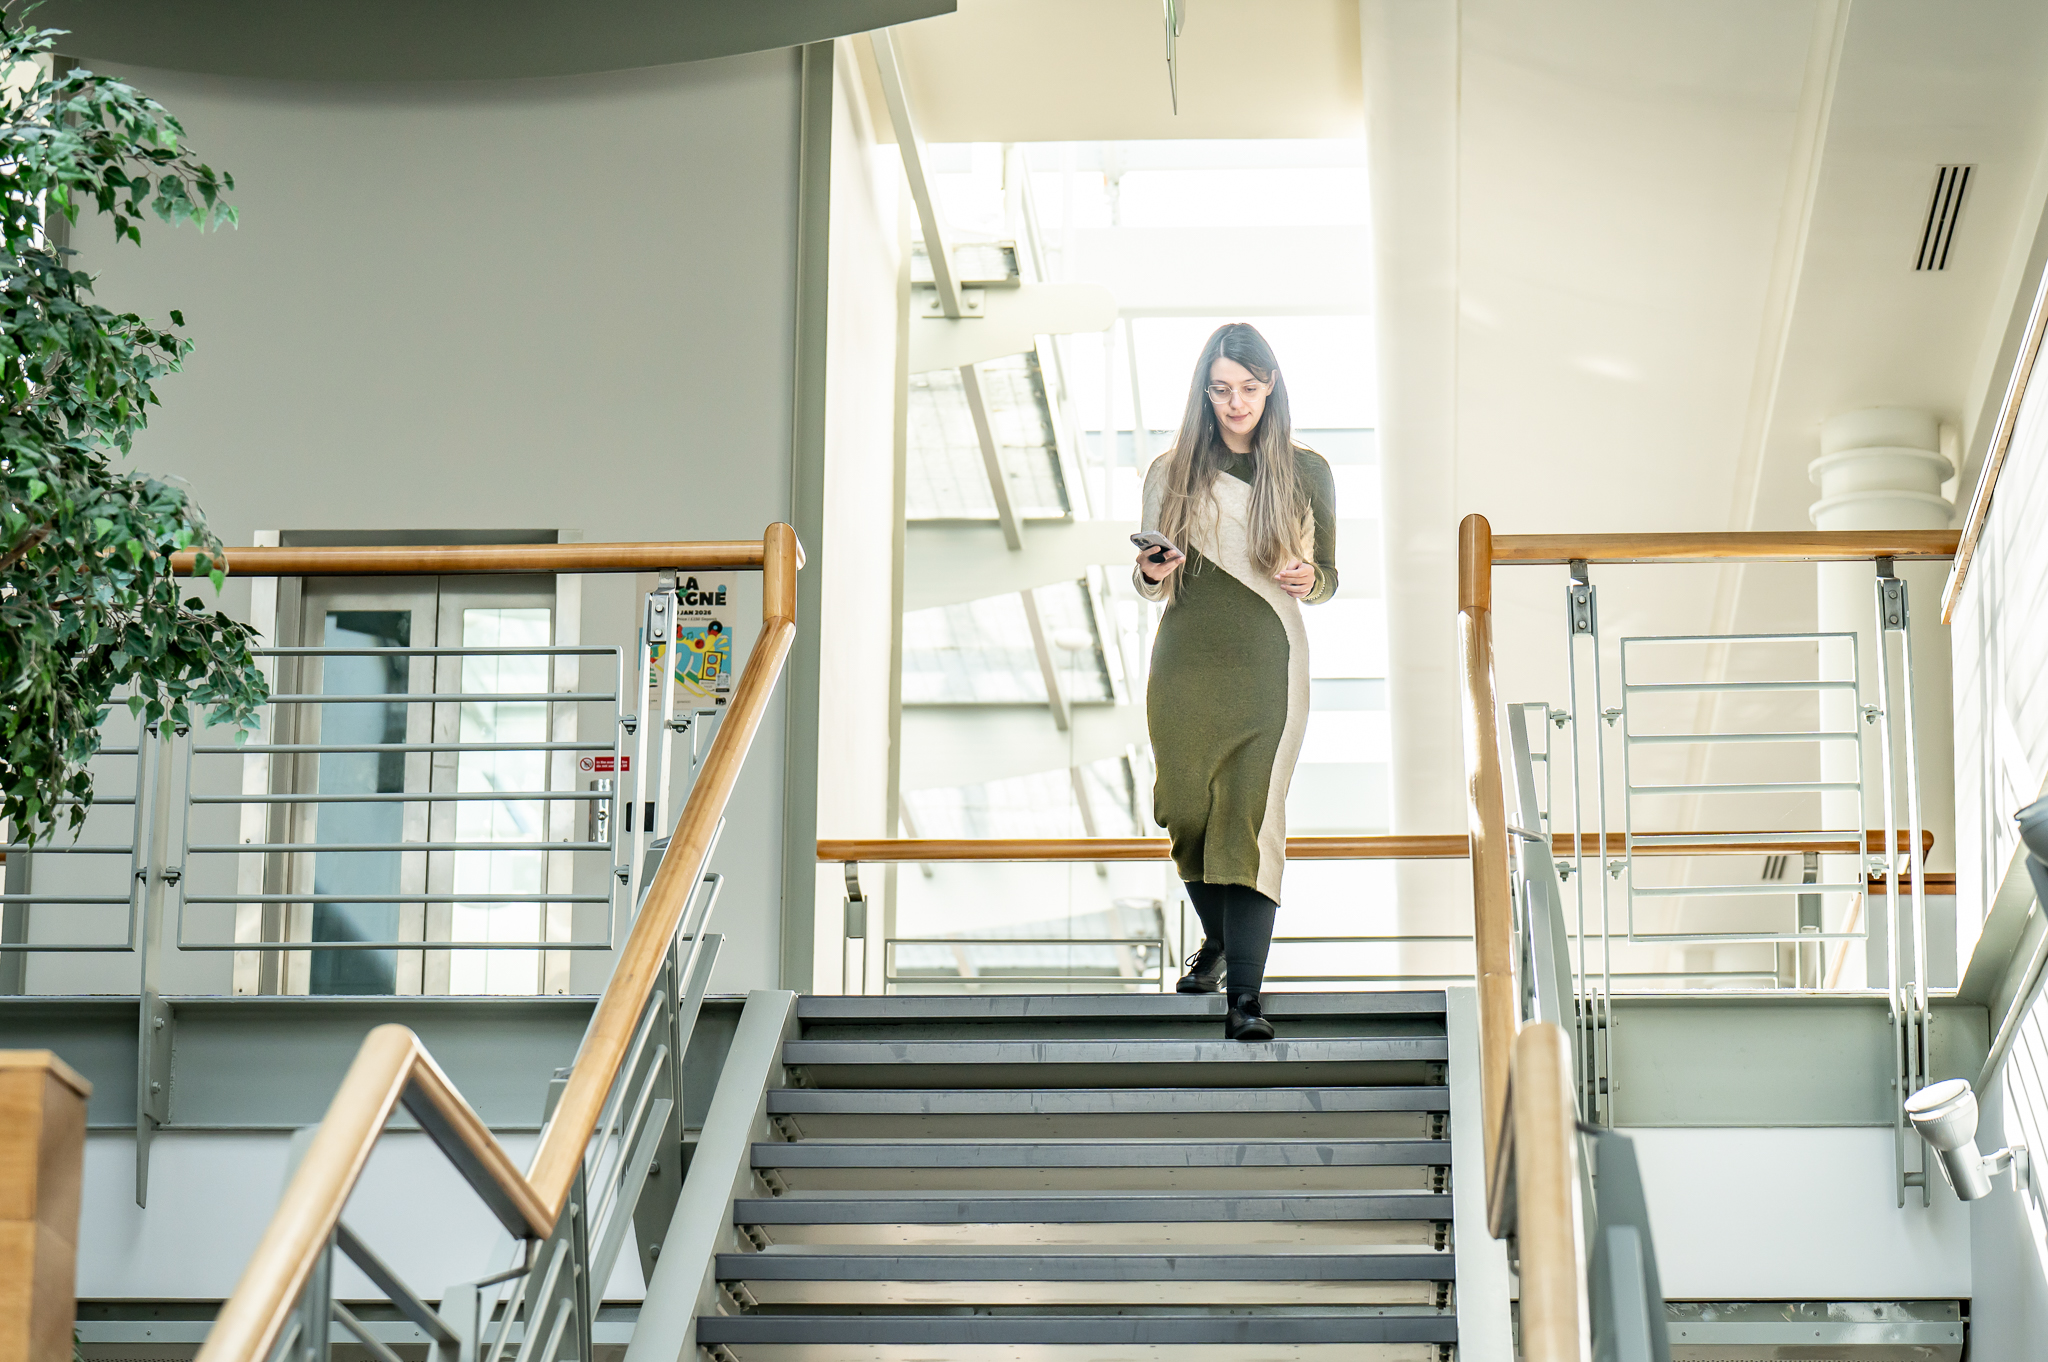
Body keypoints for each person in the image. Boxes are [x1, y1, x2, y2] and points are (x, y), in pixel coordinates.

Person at [1133, 323, 1337, 1041]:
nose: (1234, 402)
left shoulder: (1306, 471)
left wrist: (1311, 577)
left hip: (1267, 663)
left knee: (1248, 817)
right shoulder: (1171, 471)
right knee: (1185, 809)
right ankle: (1218, 942)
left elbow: (1328, 577)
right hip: (1184, 660)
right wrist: (1153, 571)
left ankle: (1244, 998)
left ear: (1270, 386)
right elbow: (1150, 577)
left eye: (1248, 388)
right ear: (1204, 391)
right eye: (1221, 389)